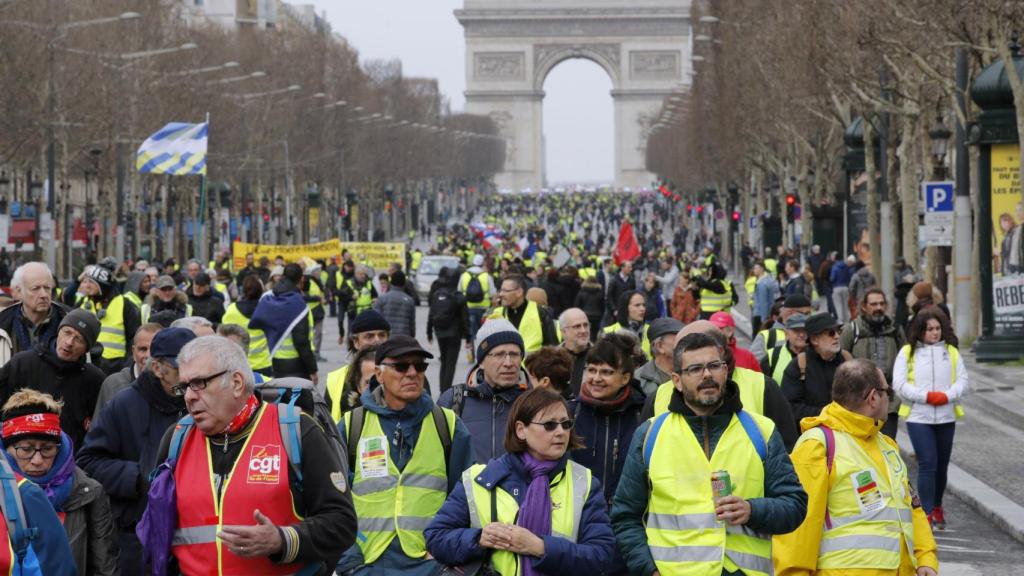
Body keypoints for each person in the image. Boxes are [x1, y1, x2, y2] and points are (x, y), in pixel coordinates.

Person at [147, 336, 358, 575]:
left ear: (237, 382)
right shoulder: (177, 438)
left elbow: (342, 523)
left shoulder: (295, 429)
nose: (189, 397)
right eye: (184, 387)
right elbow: (159, 529)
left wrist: (282, 540)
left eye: (198, 383)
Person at [611, 332, 807, 576]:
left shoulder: (761, 431)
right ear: (677, 380)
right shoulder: (650, 435)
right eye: (695, 369)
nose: (707, 375)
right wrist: (648, 570)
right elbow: (625, 516)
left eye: (714, 366)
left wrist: (752, 510)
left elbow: (795, 505)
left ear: (726, 371)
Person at [425, 388, 616, 575]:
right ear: (521, 430)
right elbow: (436, 538)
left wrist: (541, 547)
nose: (560, 432)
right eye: (550, 425)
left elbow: (602, 554)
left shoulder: (585, 482)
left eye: (566, 424)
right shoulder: (478, 479)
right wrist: (478, 538)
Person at [773, 359, 939, 576]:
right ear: (873, 398)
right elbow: (798, 529)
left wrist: (925, 558)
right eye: (887, 391)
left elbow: (911, 509)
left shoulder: (887, 446)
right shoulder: (817, 446)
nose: (889, 398)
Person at [336, 335, 474, 576]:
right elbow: (333, 503)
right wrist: (350, 563)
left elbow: (468, 501)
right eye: (401, 366)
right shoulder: (351, 426)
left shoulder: (448, 425)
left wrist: (447, 559)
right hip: (368, 566)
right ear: (379, 374)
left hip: (431, 566)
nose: (412, 373)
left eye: (419, 366)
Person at [78, 326, 193, 575]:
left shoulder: (199, 400)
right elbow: (87, 461)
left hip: (194, 532)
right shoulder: (124, 404)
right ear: (158, 368)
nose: (190, 376)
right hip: (139, 533)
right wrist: (141, 476)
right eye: (180, 368)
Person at [2, 390, 118, 575]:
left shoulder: (88, 492)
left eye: (47, 449)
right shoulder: (3, 494)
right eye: (26, 449)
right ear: (6, 449)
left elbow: (104, 567)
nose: (38, 460)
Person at [893, 308, 969, 530]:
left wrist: (946, 396)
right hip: (919, 417)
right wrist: (926, 396)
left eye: (937, 328)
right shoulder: (907, 352)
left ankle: (937, 505)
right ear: (920, 330)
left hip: (946, 417)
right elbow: (899, 384)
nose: (934, 333)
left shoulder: (952, 352)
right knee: (928, 464)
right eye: (929, 329)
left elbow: (963, 381)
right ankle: (925, 513)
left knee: (942, 466)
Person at [0, 308, 105, 450]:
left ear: (87, 348)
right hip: (20, 457)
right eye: (67, 332)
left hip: (71, 462)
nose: (69, 342)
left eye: (78, 339)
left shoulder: (94, 379)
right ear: (58, 331)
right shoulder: (22, 364)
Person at [438, 319, 532, 463]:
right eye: (499, 354)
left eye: (514, 354)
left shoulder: (535, 401)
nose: (508, 363)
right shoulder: (455, 400)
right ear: (481, 362)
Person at [571, 333, 645, 505]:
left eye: (606, 372)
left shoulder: (641, 414)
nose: (596, 378)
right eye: (591, 370)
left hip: (626, 514)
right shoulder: (570, 413)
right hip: (580, 512)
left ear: (625, 378)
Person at [841, 288, 906, 439]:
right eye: (874, 304)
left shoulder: (895, 330)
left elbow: (905, 358)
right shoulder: (852, 330)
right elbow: (841, 359)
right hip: (859, 402)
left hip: (889, 403)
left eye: (882, 304)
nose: (878, 308)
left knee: (887, 446)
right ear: (864, 306)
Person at [782, 312, 853, 427]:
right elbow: (791, 407)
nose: (837, 336)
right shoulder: (798, 366)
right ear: (814, 339)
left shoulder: (848, 360)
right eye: (831, 333)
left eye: (838, 331)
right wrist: (828, 414)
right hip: (814, 435)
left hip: (848, 432)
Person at [252, 263, 318, 382]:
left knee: (282, 398)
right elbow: (301, 341)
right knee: (299, 399)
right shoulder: (298, 304)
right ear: (301, 279)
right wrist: (312, 369)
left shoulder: (268, 298)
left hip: (274, 359)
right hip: (296, 363)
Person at [325, 310, 391, 422]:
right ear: (356, 342)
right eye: (369, 336)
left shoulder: (406, 373)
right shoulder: (335, 380)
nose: (377, 341)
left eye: (382, 335)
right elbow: (326, 425)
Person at [76, 262, 141, 375]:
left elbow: (134, 338)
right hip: (89, 366)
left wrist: (126, 366)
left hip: (116, 368)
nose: (86, 285)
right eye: (86, 281)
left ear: (102, 284)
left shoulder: (125, 304)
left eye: (91, 282)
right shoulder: (84, 303)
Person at [0, 261, 70, 366]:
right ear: (19, 292)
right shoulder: (3, 324)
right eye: (35, 289)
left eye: (47, 288)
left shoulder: (68, 320)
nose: (43, 294)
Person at [93, 322, 161, 419]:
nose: (148, 355)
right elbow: (97, 431)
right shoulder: (113, 384)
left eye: (155, 349)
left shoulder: (171, 386)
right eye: (143, 349)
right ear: (133, 353)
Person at [488, 275, 558, 354]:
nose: (501, 294)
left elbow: (552, 347)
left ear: (519, 292)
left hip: (532, 365)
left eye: (505, 291)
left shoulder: (540, 313)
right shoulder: (497, 314)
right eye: (501, 290)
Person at [427, 267, 470, 395]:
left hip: (440, 332)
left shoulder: (437, 294)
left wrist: (429, 332)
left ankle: (442, 389)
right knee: (451, 363)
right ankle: (446, 391)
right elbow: (465, 319)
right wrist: (468, 337)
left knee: (444, 361)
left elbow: (431, 313)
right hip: (454, 334)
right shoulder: (459, 297)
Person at [222, 275, 273, 377]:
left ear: (244, 290)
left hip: (239, 364)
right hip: (264, 363)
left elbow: (224, 337)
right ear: (261, 291)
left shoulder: (232, 310)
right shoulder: (269, 309)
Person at [750, 294, 813, 362]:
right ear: (791, 313)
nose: (809, 317)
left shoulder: (812, 333)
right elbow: (753, 366)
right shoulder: (767, 336)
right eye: (806, 314)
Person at [634, 317, 683, 397]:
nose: (685, 345)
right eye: (678, 340)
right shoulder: (638, 380)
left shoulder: (691, 372)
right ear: (659, 347)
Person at [762, 313, 808, 386]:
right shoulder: (772, 356)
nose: (802, 334)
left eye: (804, 330)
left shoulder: (819, 355)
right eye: (796, 330)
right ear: (786, 333)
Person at [459, 254, 495, 345]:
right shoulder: (487, 276)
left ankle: (471, 355)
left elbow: (459, 291)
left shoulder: (464, 275)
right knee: (483, 334)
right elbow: (493, 293)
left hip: (468, 308)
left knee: (470, 333)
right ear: (482, 263)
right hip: (483, 309)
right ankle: (482, 354)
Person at [602, 291, 651, 358]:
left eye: (644, 305)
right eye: (637, 305)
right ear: (625, 307)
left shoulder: (651, 330)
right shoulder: (609, 332)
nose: (642, 309)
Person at [558, 308, 592, 396]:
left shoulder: (601, 357)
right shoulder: (550, 359)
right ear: (563, 332)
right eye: (577, 326)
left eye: (586, 325)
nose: (583, 330)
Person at [374, 270, 416, 338]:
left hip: (386, 337)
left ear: (391, 282)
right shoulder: (410, 301)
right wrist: (412, 336)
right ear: (404, 283)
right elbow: (411, 323)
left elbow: (376, 319)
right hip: (404, 337)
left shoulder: (382, 299)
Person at [336, 346, 378, 413]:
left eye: (384, 382)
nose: (377, 388)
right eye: (369, 382)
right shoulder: (351, 420)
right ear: (358, 385)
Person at [603, 260, 635, 328]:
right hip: (615, 313)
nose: (631, 269)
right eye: (628, 267)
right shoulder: (614, 279)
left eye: (631, 267)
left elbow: (633, 295)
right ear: (622, 268)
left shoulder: (632, 280)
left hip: (626, 311)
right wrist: (614, 310)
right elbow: (609, 296)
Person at [574, 275, 605, 342]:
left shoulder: (582, 291)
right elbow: (603, 306)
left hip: (585, 316)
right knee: (595, 333)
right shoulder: (600, 292)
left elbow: (577, 305)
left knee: (585, 333)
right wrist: (601, 314)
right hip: (597, 316)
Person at [751, 262, 778, 330]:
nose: (754, 270)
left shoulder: (762, 283)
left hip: (759, 314)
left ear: (762, 269)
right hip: (768, 313)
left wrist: (763, 319)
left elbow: (763, 302)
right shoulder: (769, 280)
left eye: (756, 268)